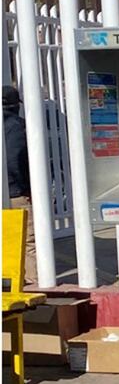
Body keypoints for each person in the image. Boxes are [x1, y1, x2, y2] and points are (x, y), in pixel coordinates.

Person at [4, 86, 35, 285]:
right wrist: (26, 188)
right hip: (15, 192)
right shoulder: (17, 125)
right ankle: (33, 283)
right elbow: (14, 160)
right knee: (28, 242)